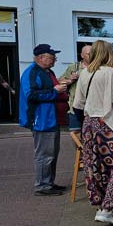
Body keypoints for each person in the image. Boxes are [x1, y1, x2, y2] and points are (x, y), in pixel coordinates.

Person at [73, 40, 113, 225]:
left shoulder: (84, 73)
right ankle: (107, 208)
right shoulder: (110, 72)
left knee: (95, 166)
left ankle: (102, 206)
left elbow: (78, 104)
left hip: (89, 125)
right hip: (107, 124)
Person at [19, 44, 69, 196]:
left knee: (52, 153)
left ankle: (48, 183)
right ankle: (42, 186)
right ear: (41, 58)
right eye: (51, 57)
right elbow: (31, 95)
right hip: (42, 120)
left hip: (51, 119)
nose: (55, 59)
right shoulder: (32, 72)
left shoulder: (46, 71)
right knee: (44, 155)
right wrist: (55, 91)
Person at [60, 45, 91, 132]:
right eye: (89, 54)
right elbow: (59, 81)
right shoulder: (74, 67)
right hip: (75, 108)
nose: (92, 55)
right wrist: (70, 79)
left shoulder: (98, 68)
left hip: (92, 109)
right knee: (75, 136)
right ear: (82, 55)